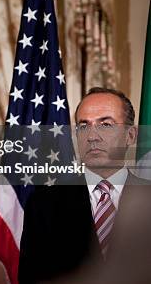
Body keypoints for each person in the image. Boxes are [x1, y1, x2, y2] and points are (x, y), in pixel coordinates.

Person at [18, 87, 151, 284]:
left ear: (130, 136)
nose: (92, 136)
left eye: (106, 125)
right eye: (83, 126)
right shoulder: (43, 204)